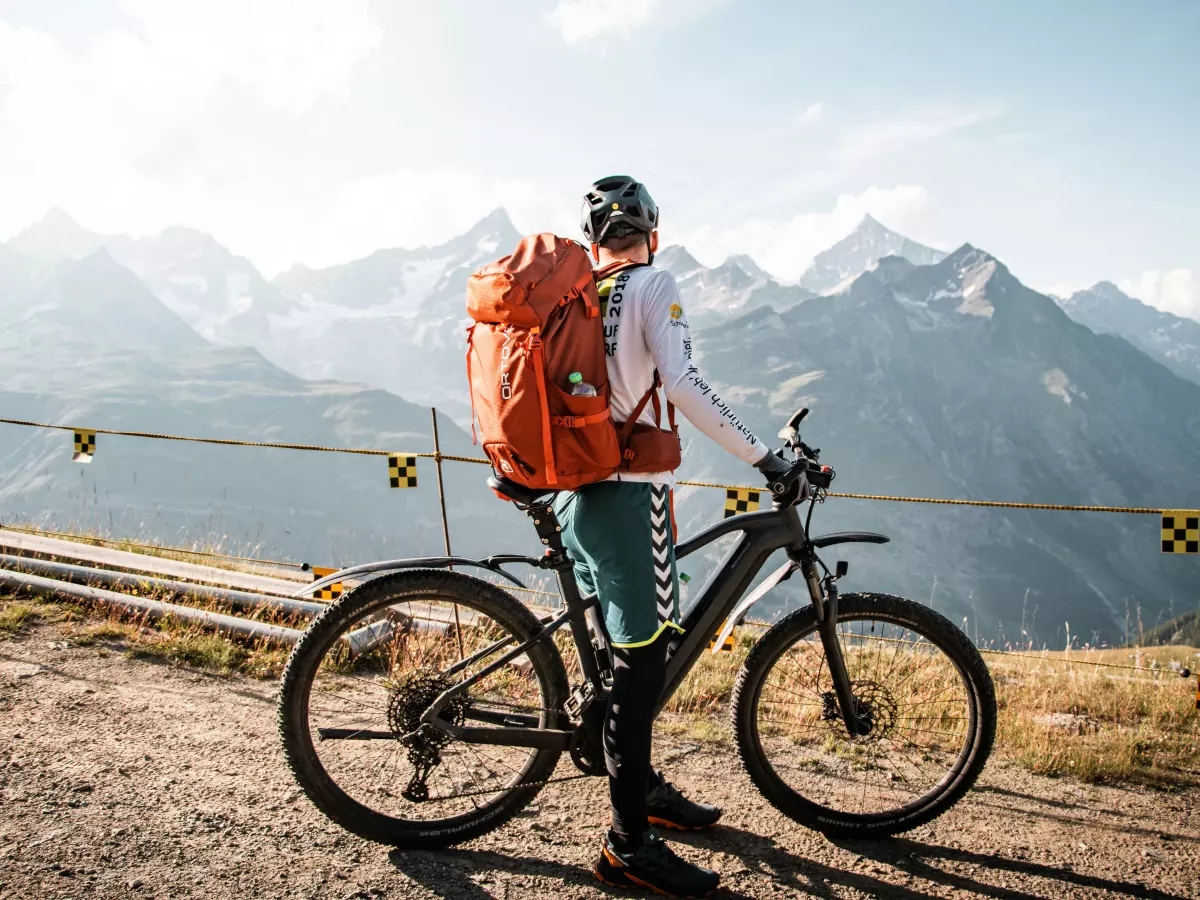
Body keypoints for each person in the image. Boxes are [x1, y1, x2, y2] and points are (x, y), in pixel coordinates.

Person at [552, 176, 797, 898]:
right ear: (651, 234)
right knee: (641, 669)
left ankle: (645, 786)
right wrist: (765, 455)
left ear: (595, 238)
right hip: (629, 499)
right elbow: (684, 385)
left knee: (615, 654)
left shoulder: (579, 294)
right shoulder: (653, 285)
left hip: (579, 494)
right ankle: (629, 844)